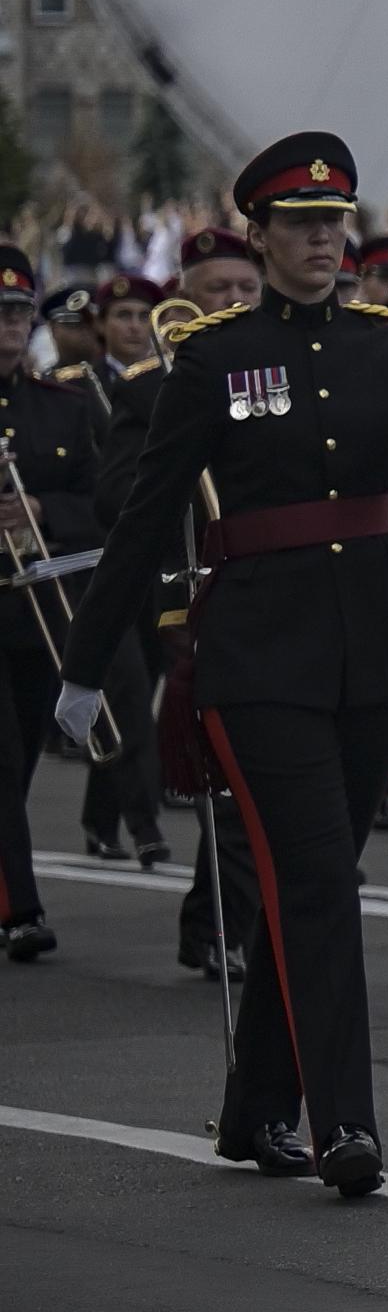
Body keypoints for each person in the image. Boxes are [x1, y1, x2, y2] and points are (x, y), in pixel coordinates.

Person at [51, 132, 388, 1196]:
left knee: (311, 883)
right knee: (317, 882)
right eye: (301, 225)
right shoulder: (213, 357)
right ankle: (344, 1124)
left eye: (334, 224)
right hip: (260, 654)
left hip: (375, 649)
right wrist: (84, 667)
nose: (322, 241)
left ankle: (257, 1105)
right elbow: (147, 519)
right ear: (259, 236)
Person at [0, 242, 120, 961]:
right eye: (0, 314)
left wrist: (39, 508)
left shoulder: (63, 408)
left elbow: (103, 504)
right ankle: (22, 912)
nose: (11, 325)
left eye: (18, 311)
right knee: (2, 761)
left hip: (36, 615)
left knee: (19, 765)